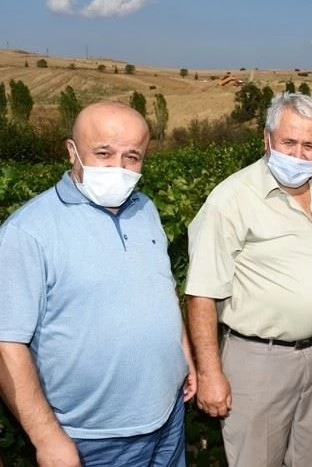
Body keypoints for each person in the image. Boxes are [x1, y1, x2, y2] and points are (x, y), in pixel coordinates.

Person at [0, 102, 195, 467]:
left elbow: (162, 290)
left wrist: (183, 358)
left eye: (132, 157)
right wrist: (46, 437)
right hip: (94, 439)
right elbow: (6, 345)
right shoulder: (28, 231)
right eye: (103, 153)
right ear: (72, 150)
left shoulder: (145, 209)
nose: (118, 167)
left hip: (169, 416)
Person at [184, 93, 312, 467]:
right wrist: (210, 373)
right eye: (288, 142)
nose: (298, 155)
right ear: (266, 138)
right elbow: (201, 293)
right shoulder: (230, 200)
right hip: (259, 361)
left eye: (309, 145)